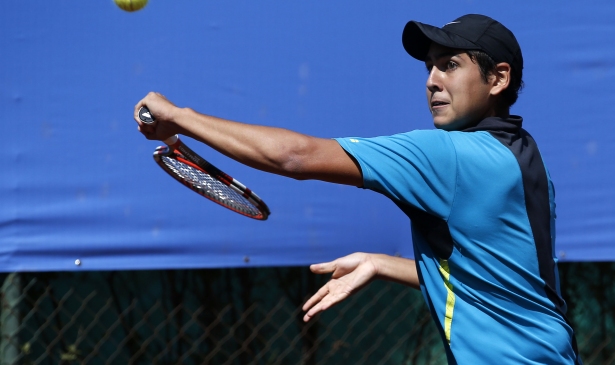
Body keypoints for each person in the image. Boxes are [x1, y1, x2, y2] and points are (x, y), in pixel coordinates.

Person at [135, 14, 580, 365]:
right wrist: (383, 263)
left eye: (450, 65)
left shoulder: (452, 156)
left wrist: (180, 118)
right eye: (429, 67)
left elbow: (295, 157)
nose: (431, 80)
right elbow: (495, 279)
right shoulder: (523, 159)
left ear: (498, 79)